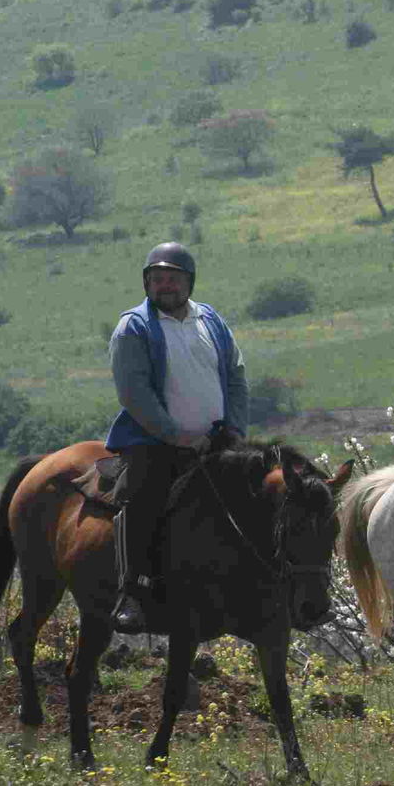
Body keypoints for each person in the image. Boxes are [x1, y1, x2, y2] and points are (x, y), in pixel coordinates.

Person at [105, 242, 248, 633]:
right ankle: (131, 592)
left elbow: (235, 375)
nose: (164, 285)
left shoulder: (211, 320)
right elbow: (134, 393)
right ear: (147, 284)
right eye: (157, 279)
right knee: (143, 497)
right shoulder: (133, 326)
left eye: (173, 278)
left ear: (189, 282)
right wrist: (178, 436)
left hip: (218, 440)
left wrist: (235, 429)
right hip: (154, 443)